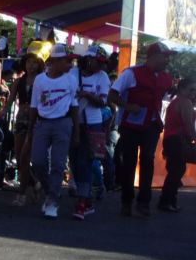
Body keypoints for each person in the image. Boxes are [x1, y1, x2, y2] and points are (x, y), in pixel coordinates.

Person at [108, 41, 175, 217]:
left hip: (151, 125)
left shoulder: (166, 78)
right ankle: (126, 201)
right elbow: (112, 94)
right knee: (129, 163)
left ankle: (144, 202)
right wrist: (128, 106)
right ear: (153, 56)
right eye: (165, 56)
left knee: (147, 160)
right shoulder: (131, 74)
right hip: (131, 125)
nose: (167, 60)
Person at [28, 44, 80, 219]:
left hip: (63, 123)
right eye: (67, 60)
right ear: (56, 61)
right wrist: (30, 131)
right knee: (37, 162)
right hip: (43, 123)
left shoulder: (71, 79)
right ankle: (51, 190)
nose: (70, 64)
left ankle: (52, 201)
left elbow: (74, 106)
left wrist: (76, 132)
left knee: (58, 164)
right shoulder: (40, 80)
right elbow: (34, 106)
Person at [0, 41, 49, 206]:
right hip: (20, 120)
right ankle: (35, 182)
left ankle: (21, 195)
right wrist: (4, 110)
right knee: (19, 159)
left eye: (35, 62)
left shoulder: (44, 80)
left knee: (26, 156)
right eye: (28, 62)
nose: (31, 65)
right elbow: (11, 99)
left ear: (40, 64)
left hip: (36, 120)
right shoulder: (19, 81)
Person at [70, 45, 111, 220]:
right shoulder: (72, 73)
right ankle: (87, 200)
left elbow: (103, 102)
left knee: (85, 162)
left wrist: (86, 94)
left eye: (103, 63)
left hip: (92, 124)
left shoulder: (103, 77)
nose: (101, 66)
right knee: (73, 162)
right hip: (72, 123)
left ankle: (81, 203)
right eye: (98, 61)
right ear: (88, 59)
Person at [158, 76, 195, 212]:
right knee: (177, 171)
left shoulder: (175, 102)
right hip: (177, 140)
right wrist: (194, 138)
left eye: (195, 90)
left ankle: (169, 200)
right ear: (181, 89)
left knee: (175, 171)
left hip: (170, 139)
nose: (193, 93)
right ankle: (166, 201)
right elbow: (188, 125)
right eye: (191, 90)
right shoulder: (185, 102)